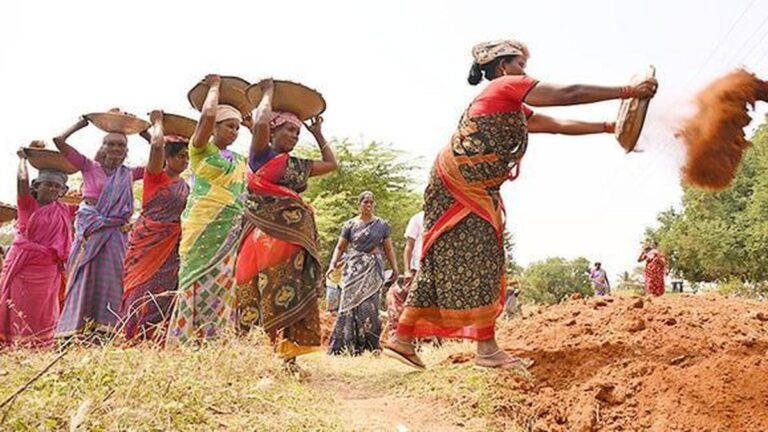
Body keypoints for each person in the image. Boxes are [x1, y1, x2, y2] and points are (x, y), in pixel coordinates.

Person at [383, 39, 658, 370]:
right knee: (484, 253)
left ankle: (402, 339)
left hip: (465, 184)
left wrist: (609, 127)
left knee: (443, 258)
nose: (525, 73)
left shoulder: (511, 107)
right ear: (503, 67)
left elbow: (554, 126)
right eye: (521, 66)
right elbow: (568, 94)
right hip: (462, 184)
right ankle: (487, 352)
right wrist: (629, 91)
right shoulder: (504, 86)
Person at [235, 78, 338, 369]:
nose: (293, 135)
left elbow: (332, 164)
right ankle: (260, 354)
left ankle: (289, 358)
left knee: (292, 292)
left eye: (296, 131)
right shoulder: (261, 155)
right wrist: (268, 92)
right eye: (288, 130)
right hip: (263, 237)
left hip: (292, 241)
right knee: (264, 290)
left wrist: (318, 133)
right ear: (272, 131)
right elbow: (260, 123)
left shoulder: (296, 165)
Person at [167, 75, 249, 345]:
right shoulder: (200, 151)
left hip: (229, 230)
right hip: (201, 227)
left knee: (223, 284)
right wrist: (214, 88)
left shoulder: (240, 160)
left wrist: (250, 121)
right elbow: (205, 118)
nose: (234, 132)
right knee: (193, 280)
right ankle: (185, 340)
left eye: (238, 128)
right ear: (213, 126)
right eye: (229, 126)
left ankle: (215, 341)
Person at [53, 114, 145, 339]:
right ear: (102, 147)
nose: (115, 148)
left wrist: (147, 134)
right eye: (110, 143)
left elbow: (160, 162)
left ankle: (106, 329)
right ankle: (75, 329)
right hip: (90, 231)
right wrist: (79, 124)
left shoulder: (129, 174)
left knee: (112, 277)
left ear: (126, 151)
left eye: (120, 145)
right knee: (84, 275)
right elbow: (58, 141)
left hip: (115, 234)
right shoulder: (87, 166)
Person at [121, 111, 190, 342]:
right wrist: (157, 122)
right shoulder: (155, 177)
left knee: (165, 288)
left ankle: (156, 338)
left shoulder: (185, 185)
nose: (185, 161)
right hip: (148, 241)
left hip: (172, 244)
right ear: (167, 159)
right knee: (141, 285)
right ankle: (132, 335)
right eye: (180, 156)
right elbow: (157, 147)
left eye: (187, 157)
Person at [0, 151, 76, 347]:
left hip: (48, 270)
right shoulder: (27, 205)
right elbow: (21, 182)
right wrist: (23, 160)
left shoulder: (64, 209)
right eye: (48, 184)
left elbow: (93, 197)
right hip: (23, 268)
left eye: (57, 186)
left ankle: (39, 346)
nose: (52, 189)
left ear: (62, 191)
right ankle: (13, 344)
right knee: (17, 303)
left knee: (42, 309)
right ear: (36, 186)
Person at [326, 191, 399, 355]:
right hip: (354, 269)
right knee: (348, 304)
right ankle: (346, 344)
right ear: (359, 204)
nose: (368, 205)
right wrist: (333, 264)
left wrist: (395, 268)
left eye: (371, 202)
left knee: (370, 306)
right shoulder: (350, 225)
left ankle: (371, 344)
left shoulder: (382, 225)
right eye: (365, 202)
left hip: (373, 269)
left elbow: (388, 248)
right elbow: (340, 247)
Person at [385, 210, 423, 340]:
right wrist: (407, 270)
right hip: (417, 268)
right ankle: (401, 336)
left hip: (437, 269)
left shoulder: (442, 217)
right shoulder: (417, 219)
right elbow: (409, 247)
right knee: (408, 301)